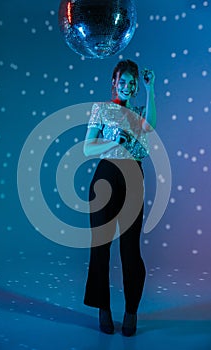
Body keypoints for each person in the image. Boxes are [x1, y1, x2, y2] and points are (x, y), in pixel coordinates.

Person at [83, 59, 156, 336]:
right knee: (100, 246)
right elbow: (88, 148)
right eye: (121, 81)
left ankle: (131, 310)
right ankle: (103, 308)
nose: (126, 86)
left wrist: (151, 91)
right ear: (114, 82)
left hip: (132, 179)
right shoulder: (101, 110)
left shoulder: (138, 113)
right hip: (105, 177)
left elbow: (151, 127)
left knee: (130, 248)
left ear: (136, 85)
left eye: (131, 82)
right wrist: (113, 142)